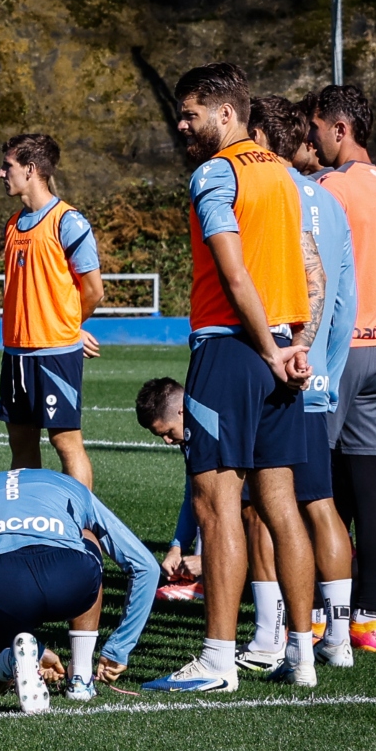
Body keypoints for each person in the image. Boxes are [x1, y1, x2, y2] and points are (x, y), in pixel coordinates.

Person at [143, 63, 320, 693]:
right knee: (281, 507)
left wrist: (270, 350)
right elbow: (305, 268)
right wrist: (295, 346)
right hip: (279, 354)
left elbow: (235, 274)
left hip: (231, 350)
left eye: (190, 114)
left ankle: (218, 659)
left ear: (226, 113)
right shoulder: (284, 173)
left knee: (216, 508)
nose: (182, 125)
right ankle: (300, 654)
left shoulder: (215, 174)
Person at [233, 97, 358, 672]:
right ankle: (337, 637)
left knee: (264, 506)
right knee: (321, 503)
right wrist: (325, 364)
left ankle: (268, 634)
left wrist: (286, 354)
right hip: (318, 372)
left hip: (274, 365)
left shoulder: (263, 190)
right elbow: (342, 290)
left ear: (257, 133)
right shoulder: (327, 199)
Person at [310, 83, 376, 651]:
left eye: (319, 129)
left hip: (340, 351)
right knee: (366, 491)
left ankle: (324, 616)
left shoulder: (331, 186)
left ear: (339, 129)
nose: (314, 139)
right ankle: (368, 620)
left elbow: (318, 271)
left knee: (316, 490)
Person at [0, 467, 158, 712]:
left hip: (1, 585)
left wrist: (8, 641)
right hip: (71, 577)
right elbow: (146, 567)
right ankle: (81, 678)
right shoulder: (75, 488)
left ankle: (10, 660)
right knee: (87, 537)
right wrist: (119, 648)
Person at [0, 133, 104, 488]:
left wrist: (68, 326)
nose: (1, 173)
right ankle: (30, 522)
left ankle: (84, 530)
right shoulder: (13, 224)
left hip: (55, 354)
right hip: (15, 354)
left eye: (7, 166)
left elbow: (93, 290)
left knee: (65, 442)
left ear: (30, 170)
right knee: (21, 443)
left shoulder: (67, 222)